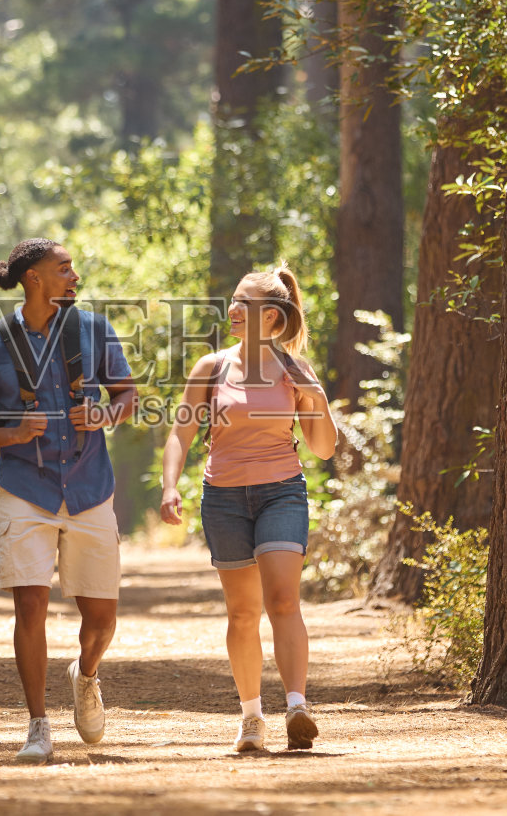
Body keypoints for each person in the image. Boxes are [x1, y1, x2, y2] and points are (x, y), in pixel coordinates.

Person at [0, 238, 138, 765]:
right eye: (64, 267)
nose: (74, 275)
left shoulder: (94, 331)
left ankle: (87, 674)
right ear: (34, 278)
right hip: (25, 491)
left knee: (100, 619)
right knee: (30, 604)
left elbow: (127, 396)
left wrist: (105, 415)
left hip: (89, 488)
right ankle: (37, 726)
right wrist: (11, 435)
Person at [159, 264, 337, 753]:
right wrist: (169, 485)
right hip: (224, 498)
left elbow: (323, 448)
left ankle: (297, 706)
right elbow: (181, 432)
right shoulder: (211, 368)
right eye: (233, 300)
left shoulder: (295, 371)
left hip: (281, 491)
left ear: (274, 320)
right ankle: (252, 718)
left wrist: (315, 399)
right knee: (242, 613)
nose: (233, 310)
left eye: (246, 304)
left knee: (282, 600)